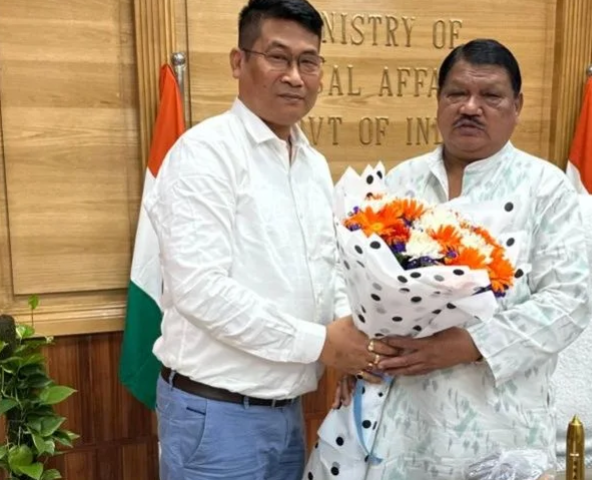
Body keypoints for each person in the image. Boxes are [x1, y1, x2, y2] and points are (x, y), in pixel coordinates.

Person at [142, 1, 395, 479]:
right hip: (215, 415)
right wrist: (323, 343)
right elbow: (201, 290)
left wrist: (353, 338)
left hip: (287, 409)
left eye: (308, 61)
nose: (295, 76)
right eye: (278, 57)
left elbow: (329, 268)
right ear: (239, 62)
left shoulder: (313, 165)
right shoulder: (205, 153)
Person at [364, 39, 592, 479]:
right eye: (457, 93)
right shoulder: (400, 181)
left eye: (490, 96)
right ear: (438, 101)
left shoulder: (545, 188)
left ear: (516, 105)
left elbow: (570, 302)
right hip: (404, 415)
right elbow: (358, 278)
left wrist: (470, 345)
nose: (470, 107)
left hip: (501, 420)